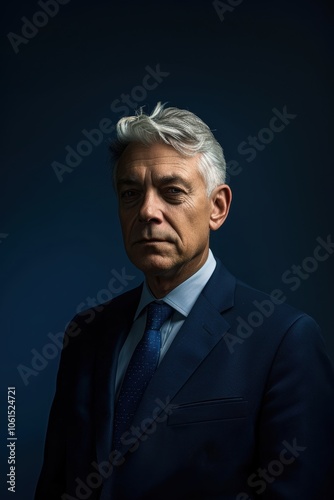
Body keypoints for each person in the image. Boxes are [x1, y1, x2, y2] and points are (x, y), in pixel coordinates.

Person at [35, 102, 334, 500]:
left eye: (172, 192)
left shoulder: (284, 340)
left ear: (218, 207)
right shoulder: (87, 334)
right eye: (130, 193)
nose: (147, 211)